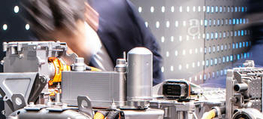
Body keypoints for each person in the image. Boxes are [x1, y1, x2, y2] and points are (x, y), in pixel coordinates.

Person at [22, 0, 164, 85]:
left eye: (72, 42)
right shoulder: (41, 51)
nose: (68, 54)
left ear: (89, 15)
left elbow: (152, 59)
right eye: (59, 48)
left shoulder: (120, 13)